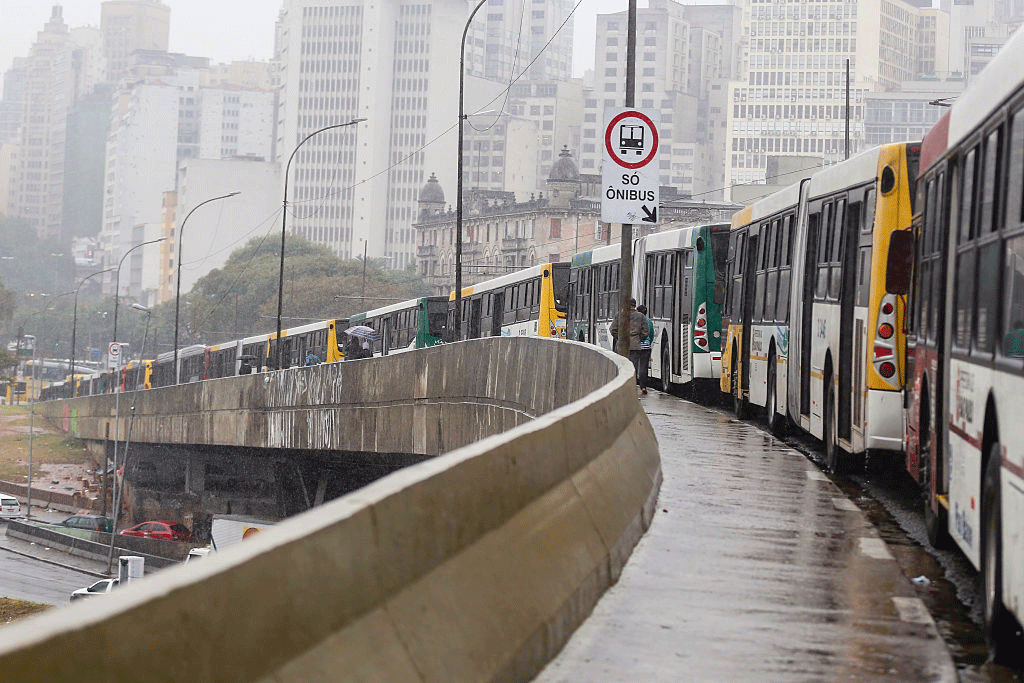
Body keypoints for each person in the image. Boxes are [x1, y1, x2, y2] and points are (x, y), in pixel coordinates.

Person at [610, 298, 648, 389]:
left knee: (621, 367)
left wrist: (619, 338)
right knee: (632, 368)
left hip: (621, 346)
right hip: (635, 346)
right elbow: (646, 331)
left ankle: (621, 387)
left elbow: (613, 330)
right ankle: (631, 388)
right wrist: (639, 339)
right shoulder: (641, 316)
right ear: (634, 306)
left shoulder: (619, 315)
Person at [636, 304, 654, 395]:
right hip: (646, 347)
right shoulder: (649, 321)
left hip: (636, 346)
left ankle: (633, 384)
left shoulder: (635, 321)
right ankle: (643, 386)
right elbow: (651, 335)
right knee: (644, 367)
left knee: (634, 365)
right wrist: (648, 343)